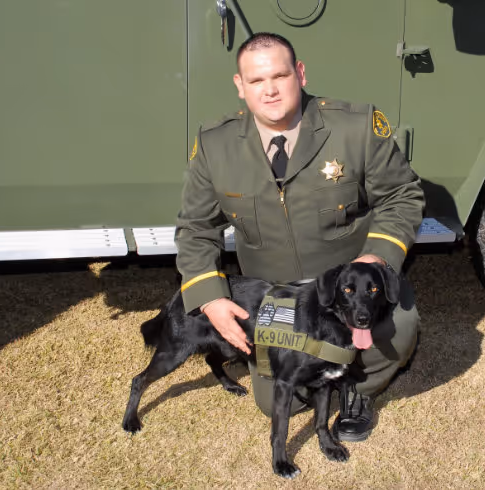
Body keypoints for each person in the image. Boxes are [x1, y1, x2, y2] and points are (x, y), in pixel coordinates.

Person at [174, 32, 424, 442]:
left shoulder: (355, 127)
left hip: (349, 285)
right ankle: (318, 373)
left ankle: (354, 391)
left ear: (300, 73)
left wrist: (376, 257)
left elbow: (402, 195)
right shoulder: (215, 146)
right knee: (277, 403)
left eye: (280, 75)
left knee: (401, 323)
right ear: (240, 85)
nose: (269, 90)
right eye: (255, 81)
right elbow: (195, 229)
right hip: (278, 301)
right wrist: (211, 298)